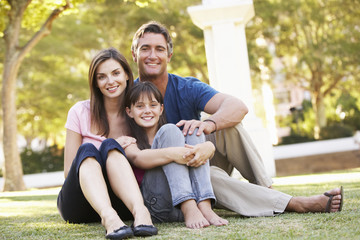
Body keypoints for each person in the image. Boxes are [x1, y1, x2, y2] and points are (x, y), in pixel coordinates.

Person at [130, 21, 344, 216]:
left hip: (197, 159)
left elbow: (237, 107)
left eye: (159, 49)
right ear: (134, 54)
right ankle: (293, 203)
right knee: (210, 175)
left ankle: (266, 191)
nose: (152, 55)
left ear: (169, 55)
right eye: (145, 48)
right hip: (163, 177)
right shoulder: (128, 97)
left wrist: (208, 125)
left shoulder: (186, 87)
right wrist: (190, 153)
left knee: (228, 127)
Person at [57, 47, 158, 239]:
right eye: (102, 77)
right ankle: (109, 218)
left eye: (116, 73)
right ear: (95, 83)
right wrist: (107, 149)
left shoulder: (140, 111)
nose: (110, 81)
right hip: (80, 203)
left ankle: (141, 213)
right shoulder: (79, 111)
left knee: (111, 147)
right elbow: (69, 172)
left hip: (124, 203)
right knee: (91, 148)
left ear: (127, 75)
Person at [121, 81, 228, 229]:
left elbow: (195, 143)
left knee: (193, 130)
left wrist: (207, 147)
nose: (147, 110)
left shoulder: (175, 138)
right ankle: (188, 205)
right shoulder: (129, 140)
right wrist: (174, 153)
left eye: (153, 105)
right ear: (129, 111)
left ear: (161, 109)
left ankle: (204, 205)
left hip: (183, 207)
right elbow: (138, 159)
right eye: (140, 106)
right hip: (157, 207)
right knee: (170, 130)